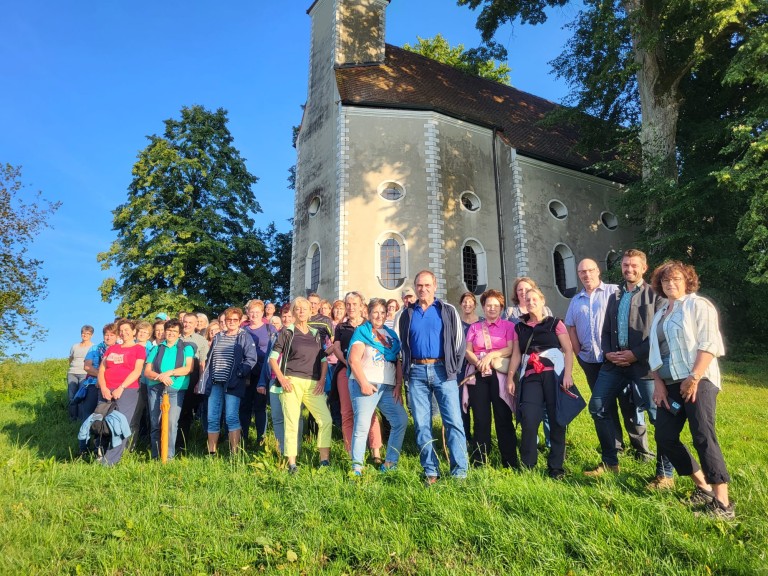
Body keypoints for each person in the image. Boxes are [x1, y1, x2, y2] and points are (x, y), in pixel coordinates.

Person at [648, 261, 732, 518]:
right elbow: (654, 353)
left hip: (699, 380)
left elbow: (709, 343)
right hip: (669, 384)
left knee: (702, 435)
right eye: (664, 280)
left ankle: (723, 503)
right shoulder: (661, 312)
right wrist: (658, 383)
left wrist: (694, 377)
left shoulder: (698, 305)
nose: (670, 284)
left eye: (675, 279)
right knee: (665, 437)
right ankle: (702, 486)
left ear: (687, 281)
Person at [585, 249, 674, 483]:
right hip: (614, 365)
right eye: (625, 265)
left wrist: (635, 354)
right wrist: (607, 353)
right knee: (597, 407)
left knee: (659, 417)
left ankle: (664, 474)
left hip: (645, 367)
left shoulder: (655, 295)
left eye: (634, 265)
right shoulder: (616, 295)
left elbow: (660, 332)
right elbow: (604, 330)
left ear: (644, 268)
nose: (629, 269)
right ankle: (610, 462)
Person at [565, 259, 650, 470]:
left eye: (590, 270)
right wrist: (579, 354)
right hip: (592, 361)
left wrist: (625, 354)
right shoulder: (576, 300)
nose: (586, 275)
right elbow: (571, 328)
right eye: (582, 272)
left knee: (630, 403)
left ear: (598, 271)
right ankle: (615, 448)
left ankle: (642, 450)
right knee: (604, 406)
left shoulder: (615, 292)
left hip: (623, 359)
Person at [396, 270, 468, 482]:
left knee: (453, 421)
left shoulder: (447, 310)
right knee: (422, 424)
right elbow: (401, 344)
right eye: (419, 285)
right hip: (417, 372)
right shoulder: (407, 314)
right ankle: (431, 470)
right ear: (415, 287)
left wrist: (452, 368)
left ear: (435, 286)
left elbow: (459, 342)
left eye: (427, 285)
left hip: (443, 371)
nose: (423, 289)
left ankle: (459, 472)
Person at [505, 288, 573, 479]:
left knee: (556, 419)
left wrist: (568, 375)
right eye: (527, 300)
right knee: (529, 417)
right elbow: (517, 354)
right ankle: (528, 464)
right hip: (531, 376)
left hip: (553, 376)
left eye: (535, 299)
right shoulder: (520, 327)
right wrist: (511, 377)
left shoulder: (555, 323)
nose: (531, 302)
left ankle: (556, 467)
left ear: (542, 301)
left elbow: (568, 350)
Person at [268, 297, 333, 473]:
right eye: (298, 309)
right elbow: (272, 359)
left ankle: (324, 460)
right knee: (292, 422)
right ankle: (292, 464)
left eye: (305, 308)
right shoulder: (287, 332)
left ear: (311, 311)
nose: (302, 311)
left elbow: (324, 359)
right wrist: (282, 379)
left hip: (314, 383)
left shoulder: (316, 333)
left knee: (325, 419)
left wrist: (322, 380)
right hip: (292, 382)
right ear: (294, 312)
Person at [347, 298, 407, 474]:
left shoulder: (391, 335)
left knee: (400, 421)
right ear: (368, 313)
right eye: (375, 312)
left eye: (382, 312)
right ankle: (357, 467)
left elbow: (397, 360)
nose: (379, 316)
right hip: (366, 385)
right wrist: (363, 383)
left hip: (388, 387)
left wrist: (398, 385)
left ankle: (390, 463)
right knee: (362, 426)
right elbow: (353, 360)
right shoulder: (362, 331)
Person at [464, 289, 517, 468]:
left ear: (501, 308)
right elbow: (468, 350)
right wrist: (478, 362)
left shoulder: (508, 327)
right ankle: (479, 461)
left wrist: (491, 356)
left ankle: (509, 462)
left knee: (503, 417)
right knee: (481, 418)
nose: (492, 308)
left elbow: (510, 349)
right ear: (483, 307)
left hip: (500, 375)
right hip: (478, 375)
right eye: (488, 305)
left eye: (496, 305)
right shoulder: (474, 328)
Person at [327, 291, 383, 461]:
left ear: (361, 306)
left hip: (366, 373)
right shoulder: (341, 327)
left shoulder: (368, 325)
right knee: (347, 412)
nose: (351, 307)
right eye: (348, 304)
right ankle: (351, 453)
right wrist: (348, 362)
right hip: (344, 371)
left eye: (354, 304)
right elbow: (336, 347)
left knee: (369, 412)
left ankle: (375, 452)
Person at [201, 307, 259, 455]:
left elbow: (251, 359)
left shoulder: (244, 337)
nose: (232, 322)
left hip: (233, 382)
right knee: (212, 417)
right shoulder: (219, 336)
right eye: (229, 320)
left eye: (235, 320)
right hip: (215, 382)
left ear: (240, 321)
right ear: (225, 321)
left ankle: (234, 453)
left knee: (231, 416)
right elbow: (210, 358)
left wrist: (240, 372)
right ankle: (212, 452)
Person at [96, 319, 148, 465]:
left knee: (120, 424)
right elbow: (102, 369)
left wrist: (121, 387)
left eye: (127, 330)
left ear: (133, 332)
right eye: (121, 330)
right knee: (101, 422)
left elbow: (137, 371)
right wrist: (104, 387)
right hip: (106, 390)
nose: (124, 333)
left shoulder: (139, 349)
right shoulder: (112, 349)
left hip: (128, 390)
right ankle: (99, 453)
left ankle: (110, 461)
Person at [144, 319, 195, 460]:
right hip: (155, 389)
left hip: (175, 390)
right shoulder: (156, 348)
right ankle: (156, 456)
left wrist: (170, 373)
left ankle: (168, 457)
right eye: (169, 330)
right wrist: (161, 377)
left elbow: (188, 368)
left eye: (174, 331)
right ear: (165, 331)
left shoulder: (186, 348)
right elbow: (147, 371)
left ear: (179, 334)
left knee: (171, 423)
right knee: (155, 423)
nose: (171, 333)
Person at [240, 299, 274, 447]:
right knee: (244, 406)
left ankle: (261, 439)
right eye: (251, 312)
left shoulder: (270, 329)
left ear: (262, 313)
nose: (254, 314)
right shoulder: (242, 330)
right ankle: (243, 438)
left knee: (260, 407)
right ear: (247, 313)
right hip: (246, 374)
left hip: (262, 373)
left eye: (257, 312)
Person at [178, 313, 210, 448]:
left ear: (196, 324)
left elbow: (203, 363)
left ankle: (181, 444)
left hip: (192, 378)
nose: (187, 325)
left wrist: (200, 383)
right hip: (174, 378)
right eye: (185, 322)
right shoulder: (175, 337)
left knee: (185, 412)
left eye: (190, 322)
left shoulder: (201, 340)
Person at [67, 325, 94, 421]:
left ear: (91, 335)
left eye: (87, 333)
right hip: (72, 372)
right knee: (71, 396)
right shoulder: (75, 346)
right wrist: (72, 367)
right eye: (83, 333)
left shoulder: (93, 346)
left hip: (84, 373)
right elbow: (70, 358)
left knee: (82, 395)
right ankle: (72, 418)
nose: (85, 335)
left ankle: (81, 419)